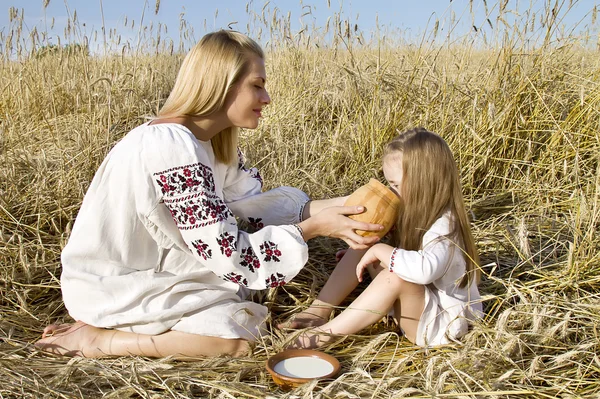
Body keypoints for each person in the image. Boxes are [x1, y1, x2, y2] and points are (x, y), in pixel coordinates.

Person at [35, 30, 384, 359]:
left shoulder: (204, 144)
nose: (267, 98)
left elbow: (246, 210)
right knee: (239, 337)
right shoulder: (171, 147)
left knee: (243, 306)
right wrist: (314, 228)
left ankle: (119, 325)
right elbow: (229, 254)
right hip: (116, 286)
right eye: (257, 85)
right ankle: (100, 339)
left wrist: (343, 206)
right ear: (222, 85)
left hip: (153, 274)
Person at [284, 128, 483, 348]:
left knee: (392, 274)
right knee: (365, 245)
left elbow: (425, 270)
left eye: (396, 185)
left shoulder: (446, 225)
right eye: (390, 184)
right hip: (418, 307)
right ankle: (318, 311)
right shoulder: (415, 211)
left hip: (440, 324)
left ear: (425, 182)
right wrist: (372, 252)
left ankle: (324, 334)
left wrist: (380, 252)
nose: (392, 192)